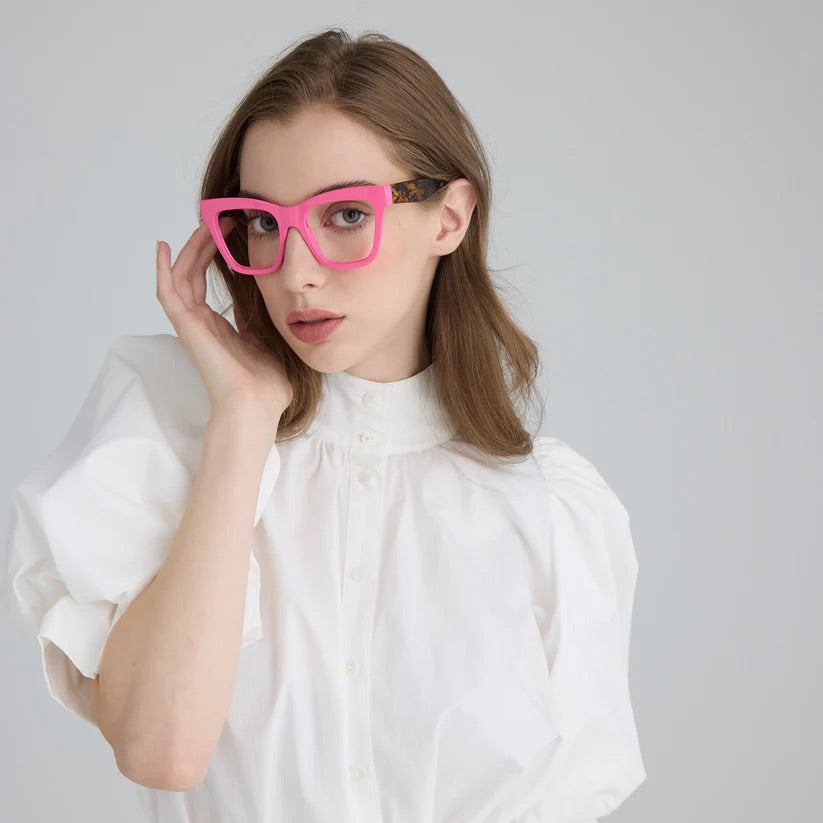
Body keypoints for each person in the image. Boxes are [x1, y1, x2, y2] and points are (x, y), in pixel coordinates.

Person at [2, 26, 647, 822]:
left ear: (449, 217)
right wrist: (242, 419)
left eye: (344, 214)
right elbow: (160, 749)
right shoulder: (173, 432)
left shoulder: (551, 512)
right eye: (264, 224)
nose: (297, 271)